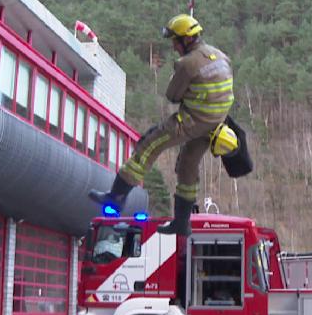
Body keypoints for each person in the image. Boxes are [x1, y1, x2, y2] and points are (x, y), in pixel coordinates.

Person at [89, 14, 235, 236]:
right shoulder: (222, 58)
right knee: (188, 166)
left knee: (149, 144)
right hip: (214, 125)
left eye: (175, 41)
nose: (174, 47)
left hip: (192, 122)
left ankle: (115, 197)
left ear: (186, 40)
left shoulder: (187, 64)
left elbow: (173, 96)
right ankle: (182, 223)